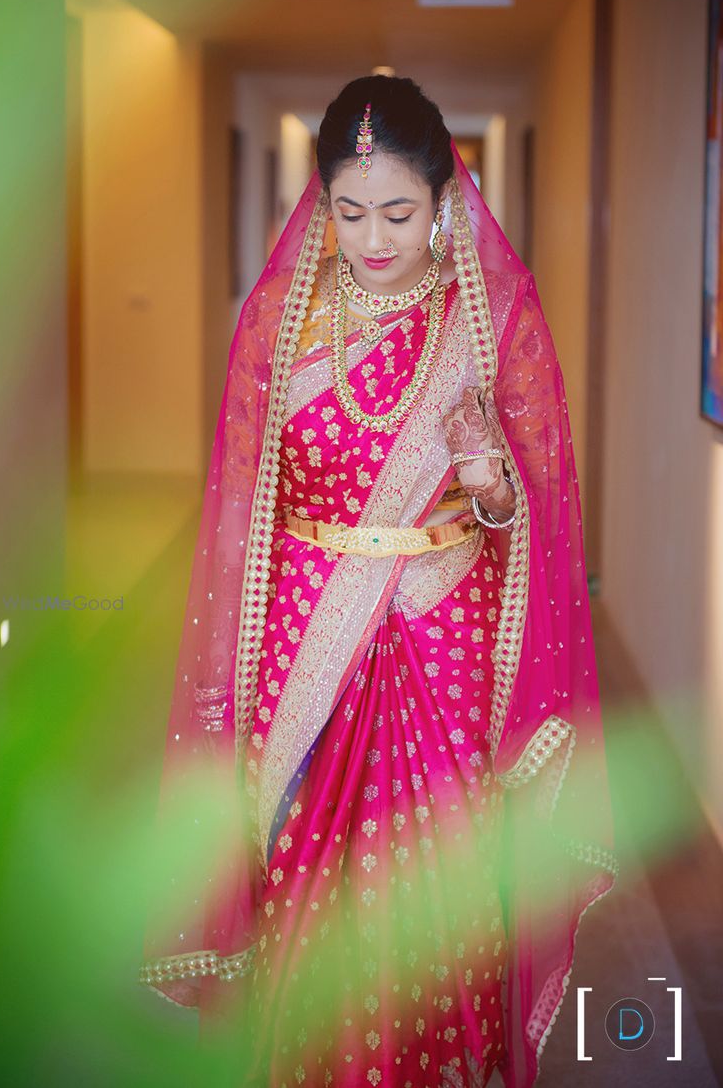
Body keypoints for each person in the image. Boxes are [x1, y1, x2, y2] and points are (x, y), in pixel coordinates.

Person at [138, 75, 619, 1088]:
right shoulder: (279, 317)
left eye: (397, 212)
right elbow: (241, 503)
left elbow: (527, 518)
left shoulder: (489, 319)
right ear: (319, 204)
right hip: (303, 638)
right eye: (348, 212)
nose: (372, 238)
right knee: (305, 890)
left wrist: (487, 472)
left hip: (441, 641)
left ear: (444, 198)